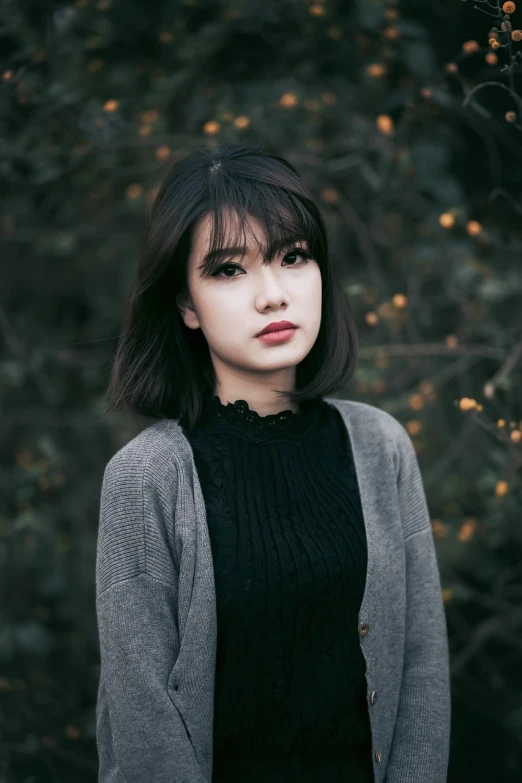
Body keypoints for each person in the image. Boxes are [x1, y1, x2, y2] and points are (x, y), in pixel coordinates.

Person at [95, 142, 451, 783]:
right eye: (229, 270)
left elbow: (421, 664)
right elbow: (144, 722)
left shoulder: (381, 446)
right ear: (185, 305)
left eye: (293, 257)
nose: (272, 295)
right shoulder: (145, 478)